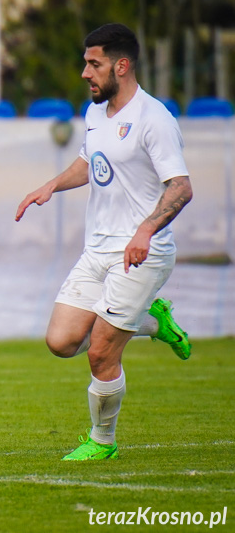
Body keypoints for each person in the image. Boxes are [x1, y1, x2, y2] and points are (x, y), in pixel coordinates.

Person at [15, 23, 193, 461]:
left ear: (122, 65)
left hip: (140, 255)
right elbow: (88, 161)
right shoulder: (96, 113)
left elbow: (181, 188)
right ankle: (152, 321)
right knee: (60, 342)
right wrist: (50, 187)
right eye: (85, 63)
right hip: (97, 250)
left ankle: (102, 441)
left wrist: (146, 230)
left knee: (100, 351)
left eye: (93, 64)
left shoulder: (155, 120)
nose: (84, 73)